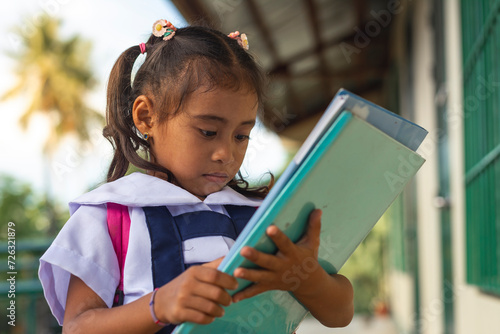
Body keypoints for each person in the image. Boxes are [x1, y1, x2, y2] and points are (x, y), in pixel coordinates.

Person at [39, 20, 354, 333]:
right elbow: (78, 327)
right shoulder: (109, 217)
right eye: (208, 131)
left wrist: (306, 277)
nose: (226, 154)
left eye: (242, 136)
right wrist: (158, 305)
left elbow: (340, 313)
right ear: (146, 117)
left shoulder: (264, 215)